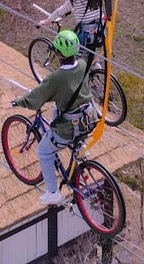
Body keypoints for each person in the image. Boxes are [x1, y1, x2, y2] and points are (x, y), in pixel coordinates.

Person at [12, 30, 97, 205]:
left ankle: (53, 193)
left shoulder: (55, 78)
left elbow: (34, 100)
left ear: (58, 53)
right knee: (57, 112)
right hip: (89, 119)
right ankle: (80, 144)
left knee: (44, 151)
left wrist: (19, 102)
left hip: (68, 129)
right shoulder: (82, 64)